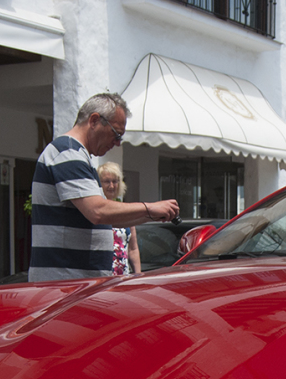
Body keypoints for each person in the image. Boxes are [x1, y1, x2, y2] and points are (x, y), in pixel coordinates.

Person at [29, 94, 178, 281]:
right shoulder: (68, 153)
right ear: (94, 121)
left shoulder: (78, 156)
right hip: (64, 282)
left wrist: (150, 214)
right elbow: (97, 211)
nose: (117, 143)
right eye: (116, 134)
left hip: (73, 281)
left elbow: (105, 218)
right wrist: (149, 207)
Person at [98, 161, 141, 276]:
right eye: (107, 181)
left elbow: (133, 249)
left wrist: (138, 275)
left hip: (123, 277)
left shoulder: (124, 211)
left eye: (115, 181)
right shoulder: (95, 211)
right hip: (102, 277)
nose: (111, 186)